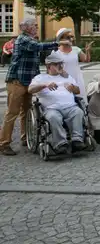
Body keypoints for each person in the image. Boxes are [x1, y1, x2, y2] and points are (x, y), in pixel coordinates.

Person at [1, 19, 58, 156]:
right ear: (25, 28)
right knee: (12, 112)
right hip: (16, 81)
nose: (36, 27)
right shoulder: (23, 39)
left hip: (28, 81)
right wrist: (57, 43)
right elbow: (37, 47)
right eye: (34, 25)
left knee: (26, 111)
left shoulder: (31, 40)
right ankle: (3, 143)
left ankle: (25, 138)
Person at [28, 52, 85, 154]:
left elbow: (78, 91)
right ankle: (60, 143)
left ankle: (77, 140)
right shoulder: (40, 78)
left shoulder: (67, 77)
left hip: (70, 106)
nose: (60, 66)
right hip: (51, 108)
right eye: (56, 64)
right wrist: (45, 85)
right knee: (54, 117)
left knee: (78, 112)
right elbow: (30, 89)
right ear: (48, 66)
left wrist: (73, 88)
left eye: (61, 64)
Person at [54, 28, 93, 103]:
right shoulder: (56, 53)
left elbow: (86, 60)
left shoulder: (75, 49)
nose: (71, 39)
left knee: (80, 102)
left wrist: (87, 51)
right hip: (64, 81)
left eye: (71, 37)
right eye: (68, 37)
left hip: (77, 79)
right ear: (61, 39)